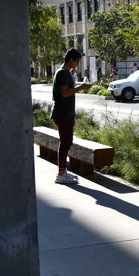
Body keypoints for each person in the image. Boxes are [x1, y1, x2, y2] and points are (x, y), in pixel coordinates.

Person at [51, 47, 91, 184]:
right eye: (77, 61)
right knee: (65, 142)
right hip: (63, 113)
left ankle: (63, 171)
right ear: (71, 60)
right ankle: (61, 173)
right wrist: (81, 88)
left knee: (66, 141)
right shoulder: (62, 73)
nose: (78, 64)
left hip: (65, 112)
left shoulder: (65, 72)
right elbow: (64, 93)